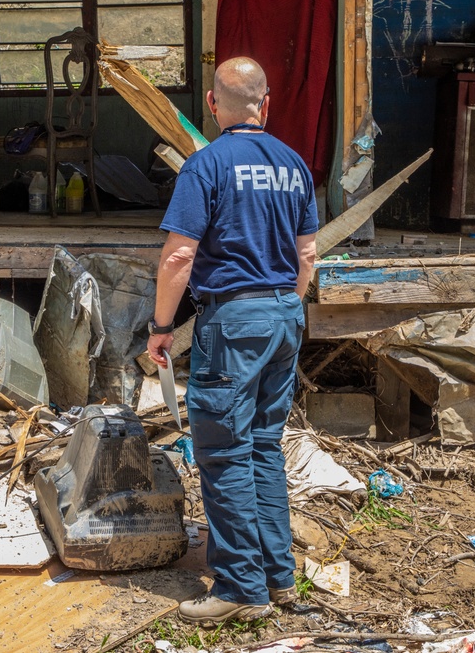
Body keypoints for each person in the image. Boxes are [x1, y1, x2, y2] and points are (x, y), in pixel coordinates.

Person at [146, 56, 318, 627]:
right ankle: (277, 577)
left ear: (214, 106)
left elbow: (178, 255)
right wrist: (284, 306)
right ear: (266, 106)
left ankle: (242, 587)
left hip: (235, 322)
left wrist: (161, 328)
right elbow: (308, 255)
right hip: (286, 317)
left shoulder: (206, 166)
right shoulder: (295, 165)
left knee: (222, 455)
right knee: (264, 447)